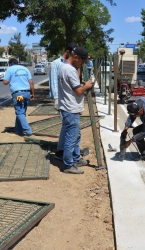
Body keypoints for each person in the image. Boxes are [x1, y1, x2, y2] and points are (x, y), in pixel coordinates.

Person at [58, 46, 93, 174]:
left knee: (76, 136)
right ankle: (68, 165)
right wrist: (87, 86)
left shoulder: (63, 67)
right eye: (82, 61)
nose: (83, 63)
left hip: (69, 107)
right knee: (71, 138)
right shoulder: (70, 70)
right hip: (71, 109)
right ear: (76, 57)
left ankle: (76, 158)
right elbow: (78, 91)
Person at [49, 42, 77, 160]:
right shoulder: (56, 64)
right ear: (67, 52)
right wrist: (56, 98)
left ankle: (61, 150)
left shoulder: (69, 64)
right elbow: (54, 82)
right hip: (60, 99)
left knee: (66, 125)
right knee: (67, 125)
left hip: (67, 99)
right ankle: (61, 151)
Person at [3, 58, 35, 136]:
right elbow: (31, 82)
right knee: (21, 112)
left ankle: (28, 131)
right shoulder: (25, 69)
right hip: (27, 93)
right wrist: (32, 93)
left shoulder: (10, 69)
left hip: (19, 94)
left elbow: (5, 82)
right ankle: (18, 130)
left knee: (20, 112)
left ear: (10, 64)